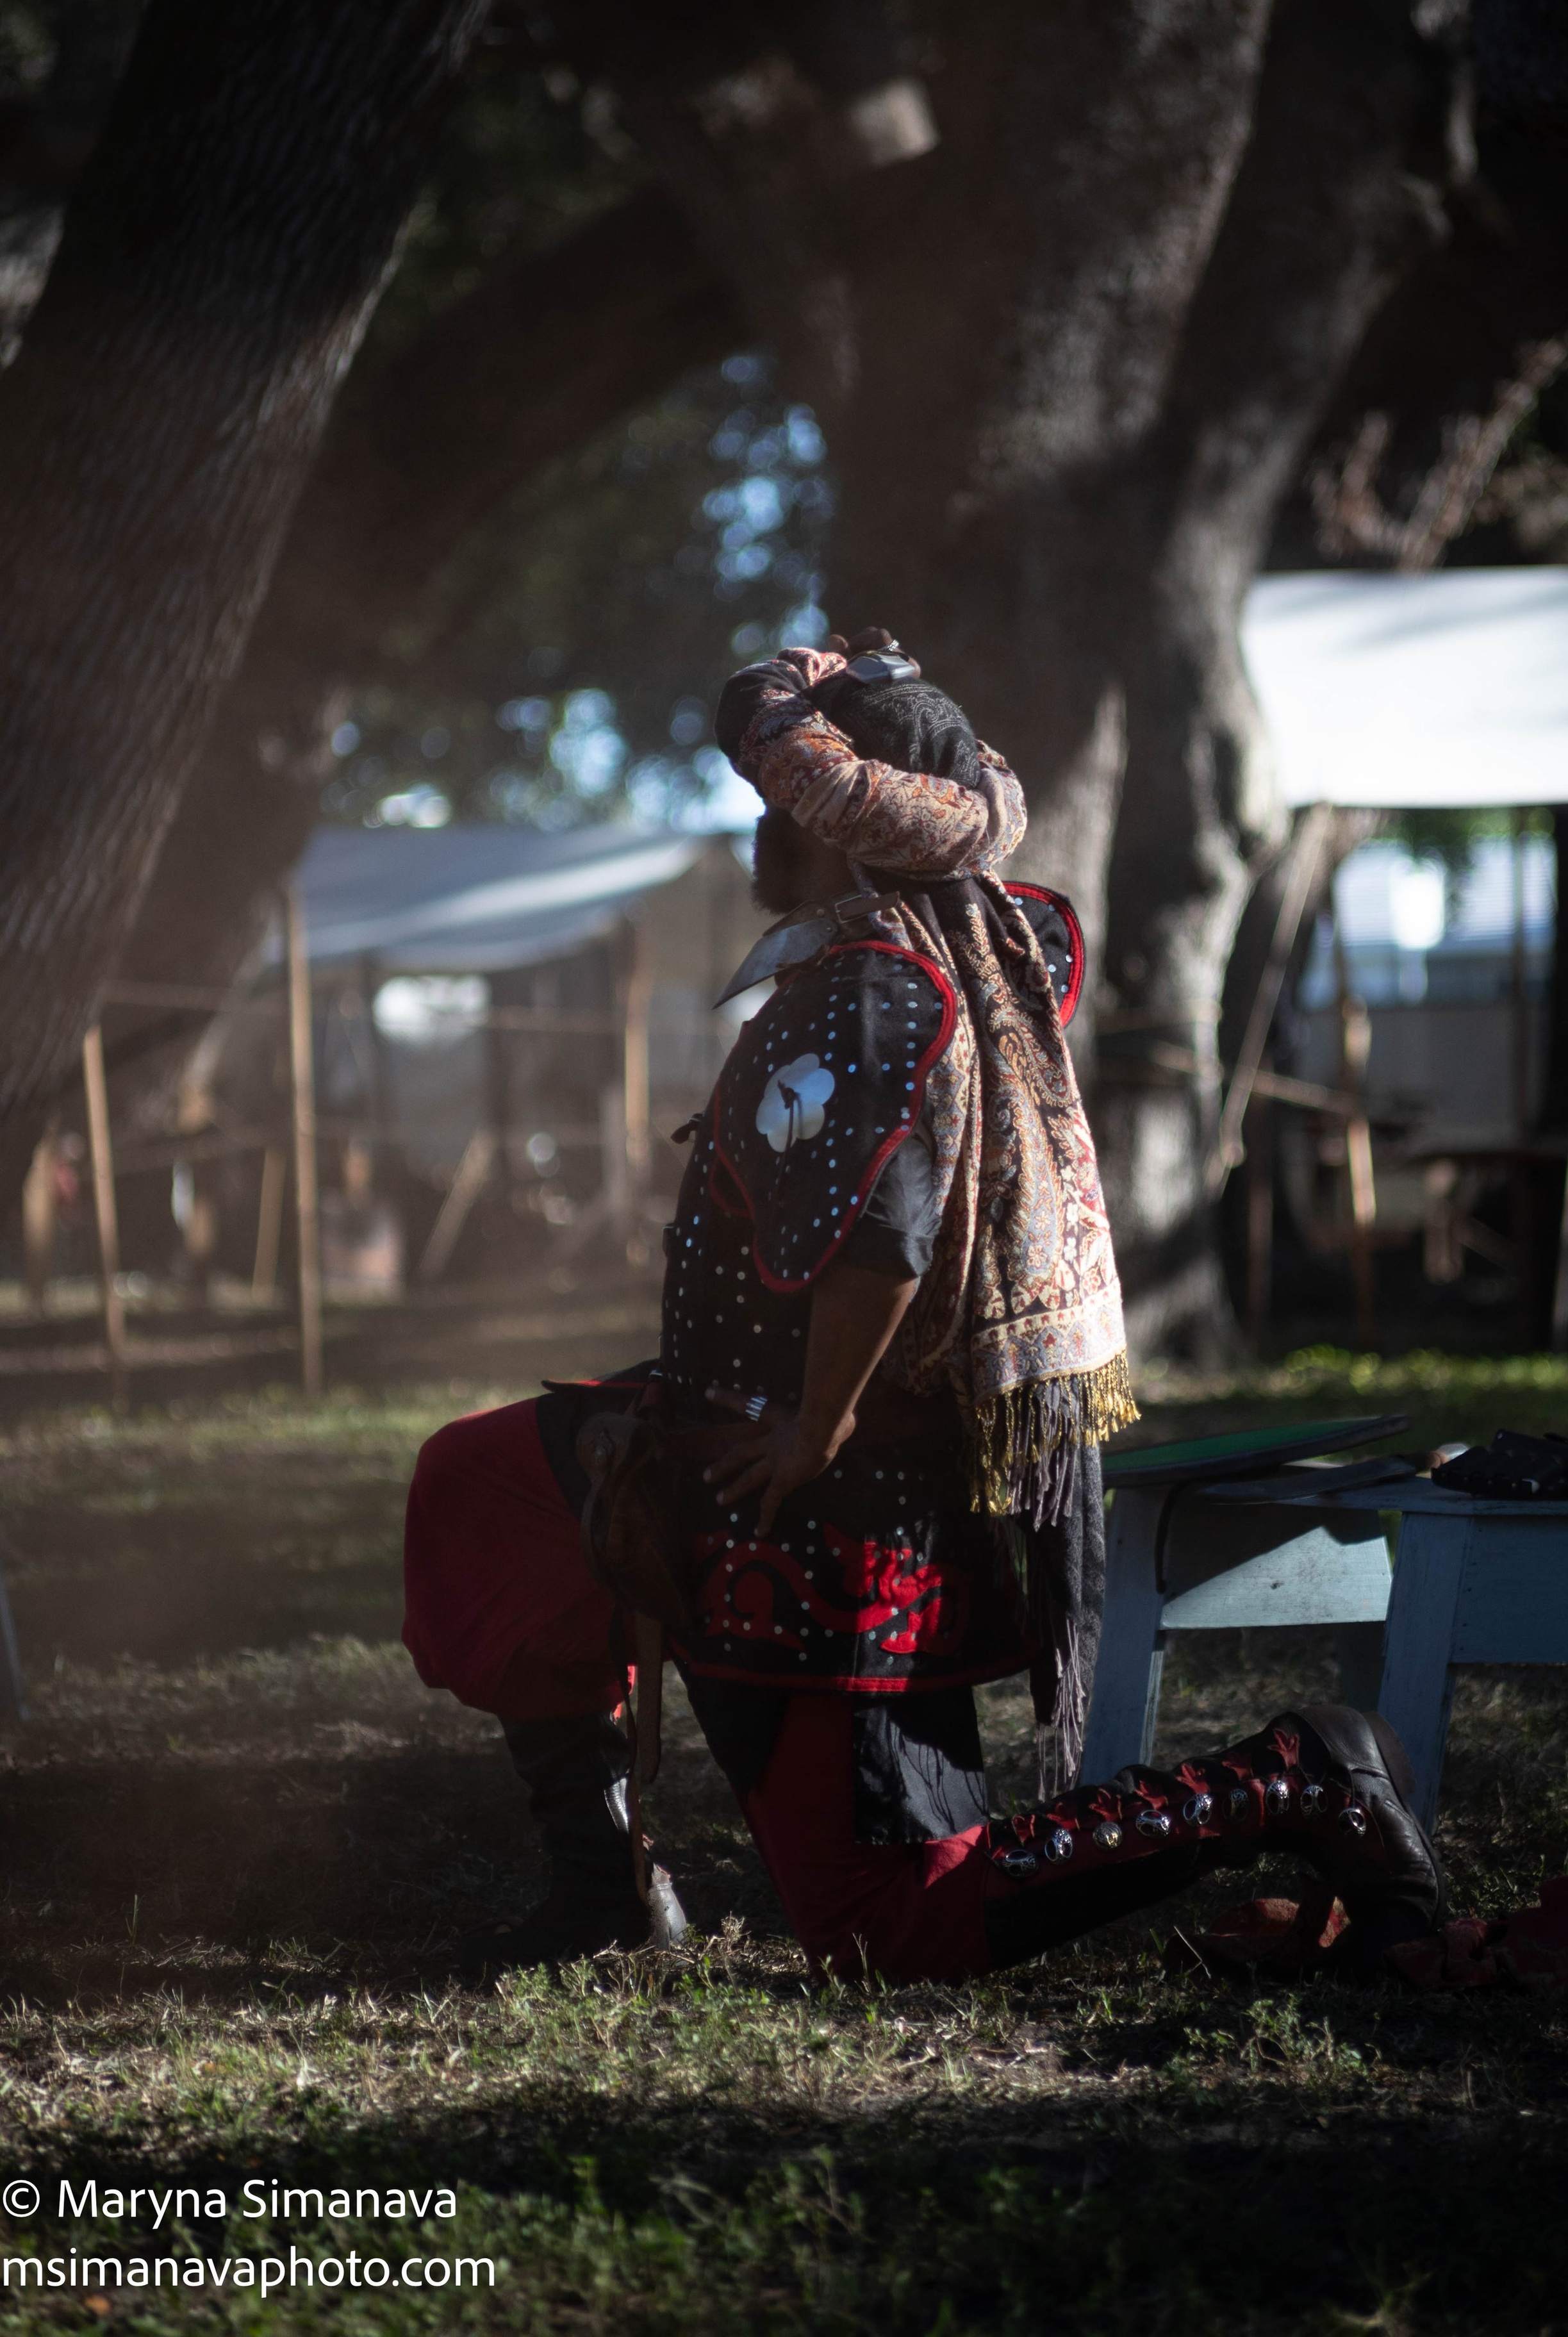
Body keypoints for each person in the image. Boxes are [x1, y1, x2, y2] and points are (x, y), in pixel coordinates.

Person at [402, 632, 1445, 1981]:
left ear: (844, 828)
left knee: (883, 1925)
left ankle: (1295, 1780)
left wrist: (815, 1429)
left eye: (776, 802)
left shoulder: (873, 989)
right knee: (481, 1487)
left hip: (820, 1499)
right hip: (726, 1431)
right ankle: (605, 1887)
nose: (758, 829)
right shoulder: (908, 959)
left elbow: (883, 1240)